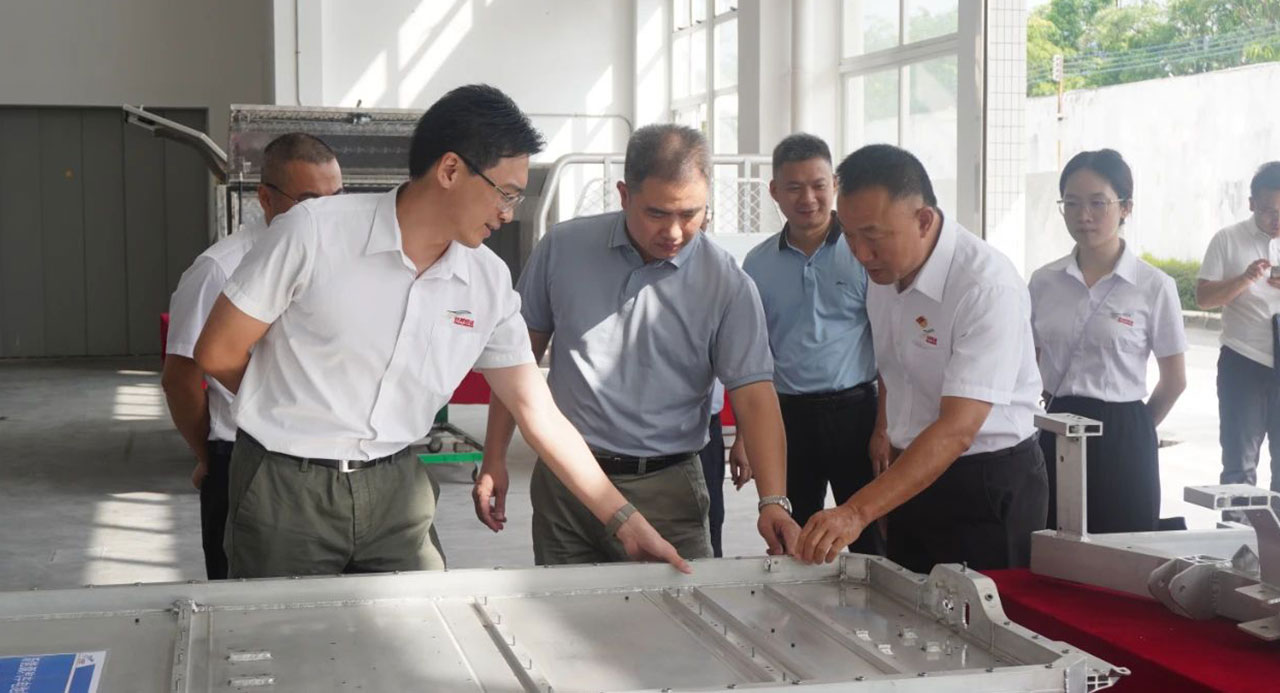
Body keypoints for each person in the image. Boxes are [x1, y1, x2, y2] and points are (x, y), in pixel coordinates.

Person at [194, 84, 687, 578]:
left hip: (397, 487)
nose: (508, 212)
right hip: (286, 486)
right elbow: (217, 351)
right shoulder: (314, 233)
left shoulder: (486, 280)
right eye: (506, 193)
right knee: (282, 623)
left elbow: (537, 411)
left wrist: (625, 522)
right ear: (450, 170)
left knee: (423, 621)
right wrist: (293, 404)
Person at [474, 124, 801, 565]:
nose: (674, 232)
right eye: (657, 213)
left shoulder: (726, 283)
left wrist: (773, 501)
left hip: (667, 490)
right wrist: (494, 456)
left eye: (691, 214)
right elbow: (517, 362)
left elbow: (755, 396)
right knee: (563, 604)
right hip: (567, 486)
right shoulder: (563, 249)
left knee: (677, 606)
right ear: (624, 195)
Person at [795, 144, 1047, 573]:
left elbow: (957, 430)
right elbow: (898, 372)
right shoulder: (883, 272)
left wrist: (857, 511)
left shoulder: (985, 287)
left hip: (985, 483)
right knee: (907, 606)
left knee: (982, 613)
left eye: (873, 236)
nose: (860, 253)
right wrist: (887, 487)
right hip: (912, 475)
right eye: (850, 235)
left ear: (924, 220)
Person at [162, 133, 343, 579]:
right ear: (265, 198)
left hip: (327, 458)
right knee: (245, 597)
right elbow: (180, 379)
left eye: (336, 198)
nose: (326, 213)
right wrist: (210, 457)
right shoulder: (219, 269)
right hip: (247, 457)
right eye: (309, 201)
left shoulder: (343, 260)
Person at [739, 133, 882, 556]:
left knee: (871, 535)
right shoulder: (757, 264)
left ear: (834, 185)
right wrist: (746, 434)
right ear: (774, 191)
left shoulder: (864, 253)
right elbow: (751, 355)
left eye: (818, 185)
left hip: (857, 415)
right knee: (793, 537)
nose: (808, 198)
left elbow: (890, 347)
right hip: (787, 418)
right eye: (794, 187)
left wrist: (884, 427)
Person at [1030, 149, 1187, 533]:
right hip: (1056, 423)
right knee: (1051, 540)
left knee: (1124, 546)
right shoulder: (1044, 281)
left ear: (1125, 207)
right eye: (1071, 203)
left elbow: (1174, 380)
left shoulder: (1154, 286)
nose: (1083, 215)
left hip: (1123, 431)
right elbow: (1029, 361)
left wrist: (1135, 430)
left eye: (1098, 203)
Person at [1197, 162, 1280, 503]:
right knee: (1238, 468)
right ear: (1251, 204)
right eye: (1268, 211)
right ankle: (1238, 535)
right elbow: (1204, 298)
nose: (1276, 220)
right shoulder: (1227, 239)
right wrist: (1245, 279)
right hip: (1243, 359)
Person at [698, 379, 752, 557]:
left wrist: (742, 440)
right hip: (655, 430)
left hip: (707, 427)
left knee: (711, 518)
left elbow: (741, 380)